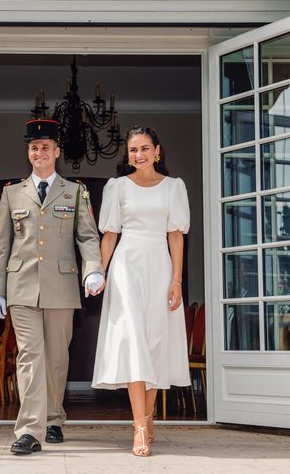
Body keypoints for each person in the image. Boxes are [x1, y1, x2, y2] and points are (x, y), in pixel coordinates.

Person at [0, 119, 104, 455]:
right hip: (21, 285)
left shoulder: (74, 191)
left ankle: (53, 418)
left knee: (55, 358)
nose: (39, 152)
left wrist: (92, 270)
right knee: (29, 356)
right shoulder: (12, 193)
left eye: (45, 147)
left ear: (56, 152)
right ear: (29, 153)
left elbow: (87, 235)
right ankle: (29, 431)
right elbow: (1, 244)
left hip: (62, 285)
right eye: (33, 147)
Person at [91, 125, 191, 457]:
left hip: (160, 266)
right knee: (134, 341)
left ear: (157, 151)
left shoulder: (174, 187)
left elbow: (176, 234)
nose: (139, 155)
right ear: (127, 155)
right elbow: (109, 234)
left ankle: (147, 418)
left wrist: (177, 280)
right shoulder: (116, 187)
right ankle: (139, 430)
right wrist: (98, 272)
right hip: (125, 267)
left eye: (145, 148)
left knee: (155, 345)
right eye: (133, 150)